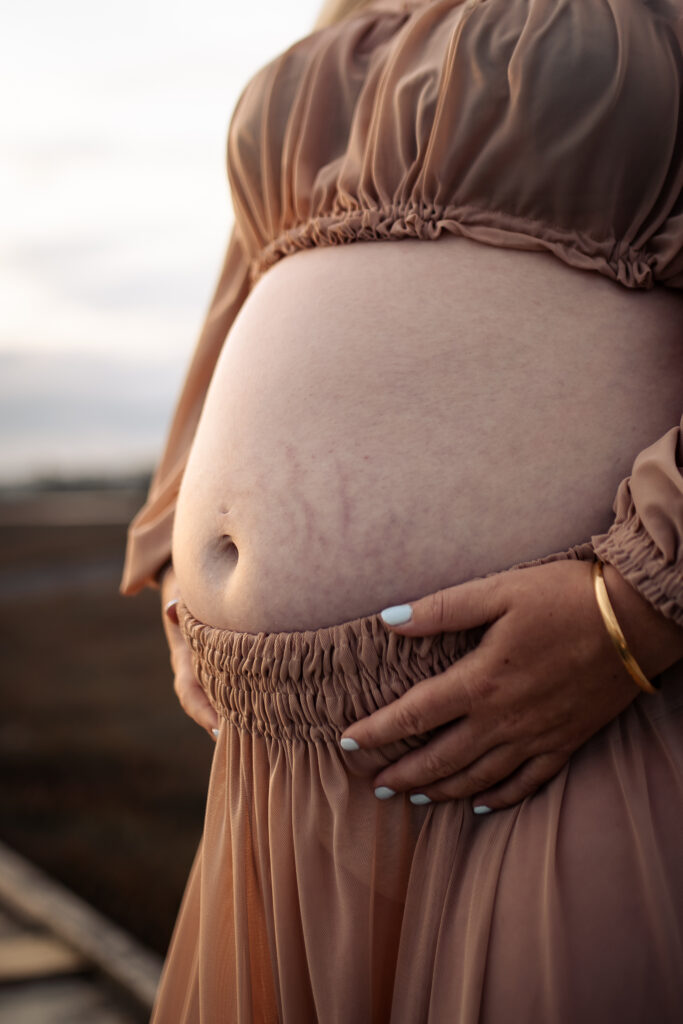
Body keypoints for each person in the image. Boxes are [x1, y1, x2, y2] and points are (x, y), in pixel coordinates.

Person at [120, 0, 683, 1020]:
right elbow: (247, 281)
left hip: (568, 706)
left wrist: (638, 603)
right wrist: (177, 555)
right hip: (272, 748)